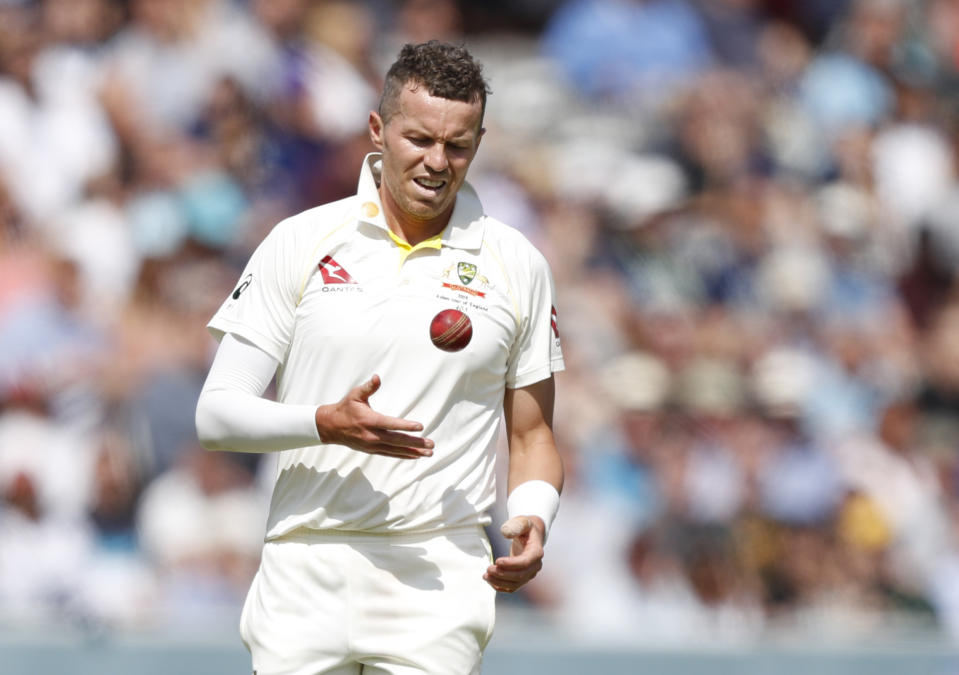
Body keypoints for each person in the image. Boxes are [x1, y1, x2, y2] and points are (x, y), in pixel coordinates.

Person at [195, 40, 565, 674]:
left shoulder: (516, 263)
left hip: (440, 571)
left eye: (458, 146)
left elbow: (531, 434)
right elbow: (218, 416)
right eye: (418, 139)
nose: (437, 162)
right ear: (378, 129)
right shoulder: (302, 240)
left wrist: (534, 515)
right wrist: (322, 423)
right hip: (304, 560)